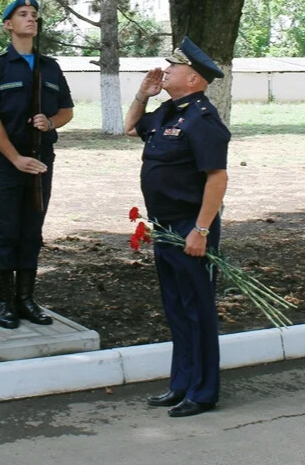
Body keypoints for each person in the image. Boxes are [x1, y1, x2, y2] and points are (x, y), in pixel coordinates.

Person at [124, 36, 230, 418]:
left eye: (175, 67)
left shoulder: (203, 120)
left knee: (197, 308)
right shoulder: (169, 111)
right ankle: (181, 384)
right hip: (165, 226)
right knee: (176, 307)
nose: (165, 70)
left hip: (190, 227)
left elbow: (217, 178)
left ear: (194, 79)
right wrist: (143, 93)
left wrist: (201, 230)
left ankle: (203, 392)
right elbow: (130, 127)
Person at [0, 0, 74, 328]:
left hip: (41, 160)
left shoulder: (50, 67)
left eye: (34, 15)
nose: (31, 19)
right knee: (6, 230)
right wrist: (15, 158)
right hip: (7, 161)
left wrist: (51, 122)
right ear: (8, 25)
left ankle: (26, 299)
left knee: (32, 229)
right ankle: (5, 303)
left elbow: (66, 111)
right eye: (22, 14)